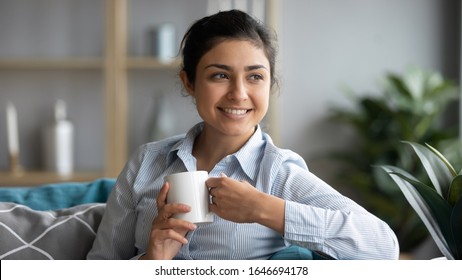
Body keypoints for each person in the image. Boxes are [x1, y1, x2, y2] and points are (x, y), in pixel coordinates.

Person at [87, 9, 399, 260]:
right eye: (220, 75)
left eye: (255, 76)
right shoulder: (148, 161)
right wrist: (152, 262)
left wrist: (264, 209)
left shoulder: (279, 173)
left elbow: (383, 246)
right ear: (189, 82)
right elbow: (100, 265)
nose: (239, 93)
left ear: (270, 84)